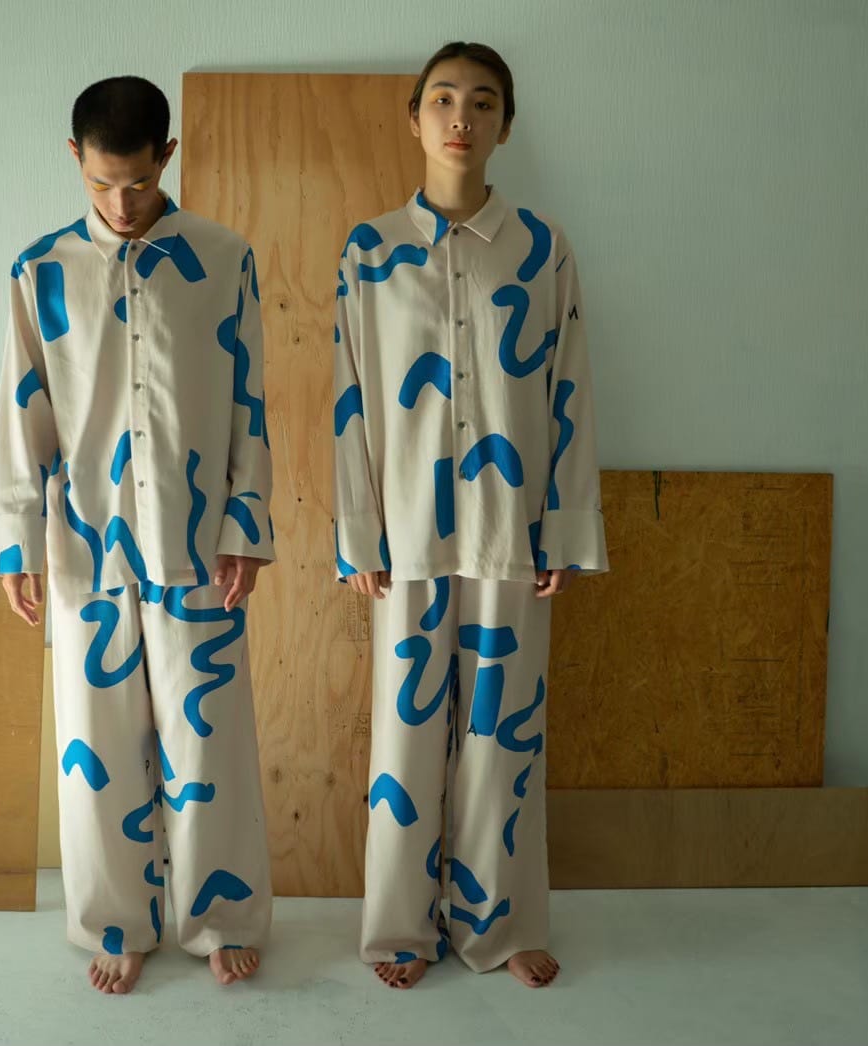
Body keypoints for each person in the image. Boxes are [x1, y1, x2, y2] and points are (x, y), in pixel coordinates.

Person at [0, 75, 275, 995]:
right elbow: (22, 411)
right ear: (76, 160)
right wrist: (15, 542)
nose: (120, 203)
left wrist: (247, 526)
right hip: (86, 540)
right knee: (98, 747)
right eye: (102, 184)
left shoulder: (224, 258)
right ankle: (118, 921)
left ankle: (220, 916)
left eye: (139, 183)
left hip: (197, 538)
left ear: (167, 157)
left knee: (208, 742)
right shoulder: (40, 270)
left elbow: (248, 400)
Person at [332, 42, 608, 989]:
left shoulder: (541, 248)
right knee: (404, 740)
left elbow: (569, 388)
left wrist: (564, 527)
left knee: (504, 738)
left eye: (483, 102)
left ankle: (500, 926)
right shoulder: (369, 251)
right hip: (405, 533)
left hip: (510, 531)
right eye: (444, 99)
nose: (462, 117)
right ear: (414, 118)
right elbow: (349, 397)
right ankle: (399, 930)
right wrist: (357, 534)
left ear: (505, 125)